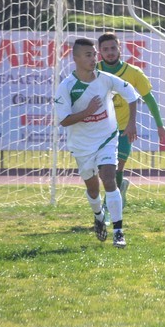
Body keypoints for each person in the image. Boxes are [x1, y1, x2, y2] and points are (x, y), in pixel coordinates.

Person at [55, 38, 140, 248]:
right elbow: (64, 120)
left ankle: (118, 232)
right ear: (75, 58)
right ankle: (98, 216)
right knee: (93, 190)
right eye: (88, 55)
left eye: (94, 54)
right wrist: (88, 112)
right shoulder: (66, 86)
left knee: (109, 179)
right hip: (82, 145)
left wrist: (131, 124)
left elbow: (131, 95)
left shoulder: (106, 79)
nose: (94, 59)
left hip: (107, 138)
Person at [97, 32, 165, 202]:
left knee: (116, 167)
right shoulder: (94, 71)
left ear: (120, 48)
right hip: (100, 128)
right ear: (99, 51)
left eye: (113, 48)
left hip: (124, 128)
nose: (110, 52)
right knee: (103, 171)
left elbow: (149, 99)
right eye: (105, 49)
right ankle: (119, 188)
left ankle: (111, 204)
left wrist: (160, 125)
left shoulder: (134, 73)